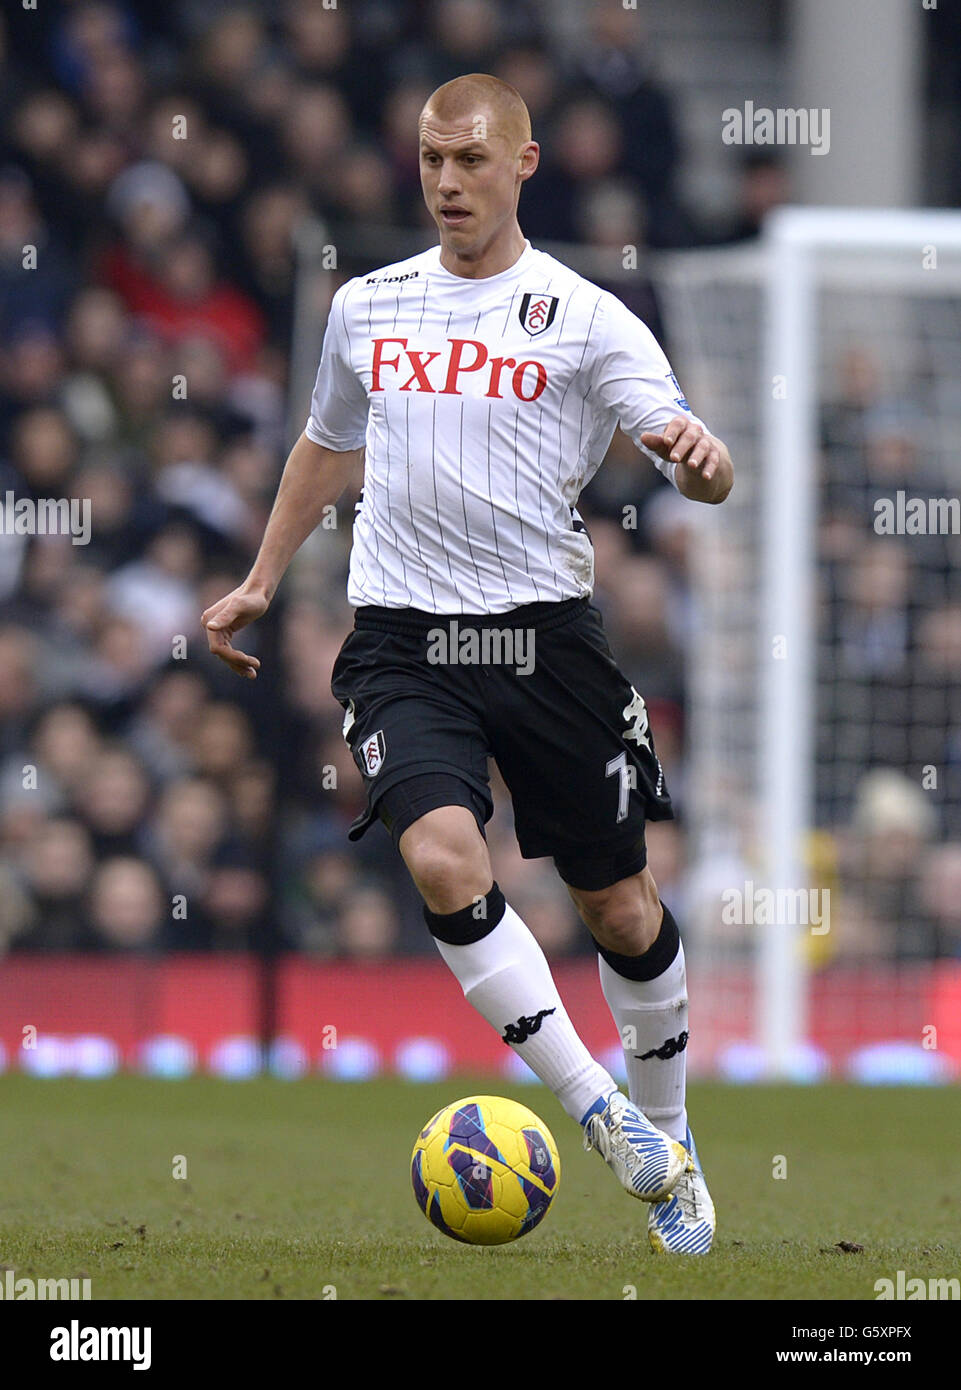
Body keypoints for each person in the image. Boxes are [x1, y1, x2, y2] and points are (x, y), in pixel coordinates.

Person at [203, 73, 733, 1254]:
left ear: (524, 165)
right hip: (404, 640)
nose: (447, 181)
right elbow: (326, 444)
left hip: (546, 642)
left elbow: (690, 455)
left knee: (618, 904)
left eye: (472, 161)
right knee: (442, 856)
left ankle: (670, 1136)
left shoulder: (589, 316)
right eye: (433, 159)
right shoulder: (368, 308)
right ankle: (594, 1110)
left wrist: (699, 465)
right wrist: (261, 575)